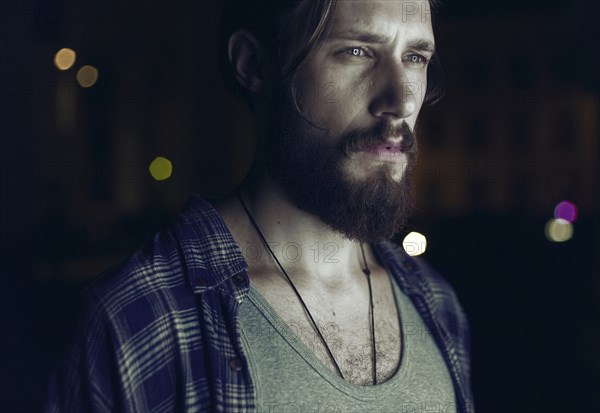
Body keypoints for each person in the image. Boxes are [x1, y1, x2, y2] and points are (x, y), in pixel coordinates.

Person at [43, 0, 475, 412]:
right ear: (254, 64)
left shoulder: (436, 304)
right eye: (358, 51)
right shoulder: (135, 321)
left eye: (416, 57)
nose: (401, 100)